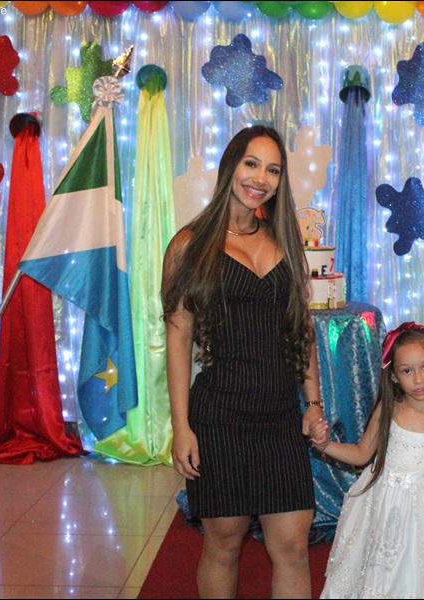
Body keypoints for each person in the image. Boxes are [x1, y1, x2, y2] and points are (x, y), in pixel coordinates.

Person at [162, 125, 325, 599]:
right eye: (251, 164)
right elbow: (178, 337)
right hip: (220, 415)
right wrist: (181, 427)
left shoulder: (285, 240)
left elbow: (302, 330)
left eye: (273, 170)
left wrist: (313, 403)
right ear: (231, 165)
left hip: (280, 416)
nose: (260, 178)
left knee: (292, 546)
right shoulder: (189, 244)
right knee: (224, 543)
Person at [308, 322, 424, 599]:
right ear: (393, 376)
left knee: (414, 580)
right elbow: (361, 454)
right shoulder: (389, 409)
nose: (418, 379)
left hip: (421, 518)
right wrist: (326, 445)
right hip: (378, 507)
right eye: (407, 371)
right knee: (373, 577)